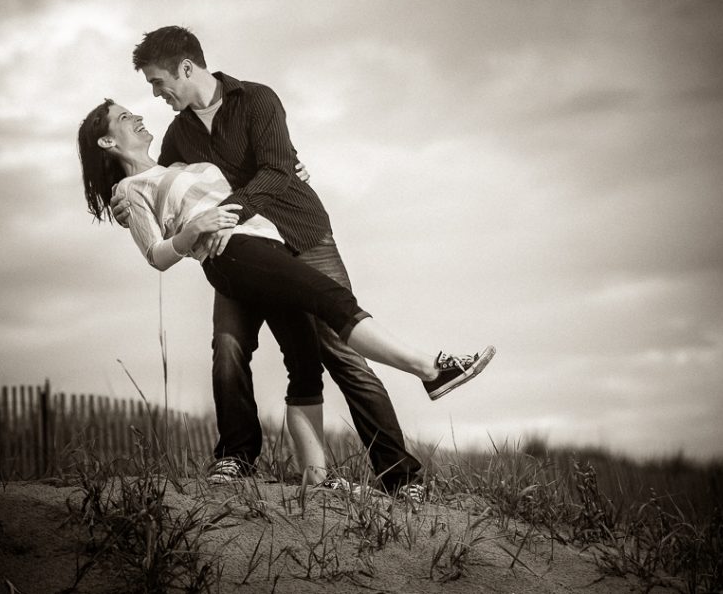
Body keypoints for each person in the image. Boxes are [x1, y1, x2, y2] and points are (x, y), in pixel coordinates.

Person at [82, 99, 495, 487]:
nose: (139, 115)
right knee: (328, 301)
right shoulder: (129, 190)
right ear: (107, 142)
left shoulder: (182, 161)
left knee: (305, 360)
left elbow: (258, 170)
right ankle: (429, 368)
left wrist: (289, 170)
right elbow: (155, 255)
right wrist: (191, 231)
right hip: (233, 252)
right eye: (124, 117)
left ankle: (315, 478)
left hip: (272, 245)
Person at [110, 27, 430, 498]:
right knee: (229, 347)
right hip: (242, 253)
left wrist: (239, 204)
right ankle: (236, 458)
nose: (157, 94)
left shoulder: (256, 98)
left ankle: (400, 478)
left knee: (341, 353)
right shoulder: (178, 136)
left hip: (303, 235)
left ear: (186, 68)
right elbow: (164, 187)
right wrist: (125, 207)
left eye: (159, 81)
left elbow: (278, 170)